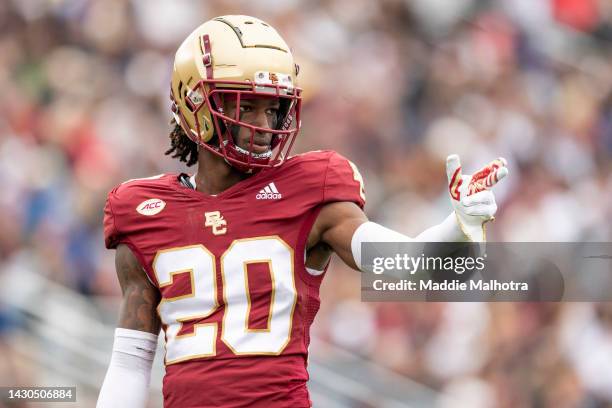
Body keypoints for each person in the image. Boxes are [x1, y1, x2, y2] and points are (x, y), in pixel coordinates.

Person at [97, 15, 508, 408]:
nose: (265, 124)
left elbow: (411, 266)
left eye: (273, 108)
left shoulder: (309, 188)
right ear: (197, 105)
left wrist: (460, 226)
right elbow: (131, 363)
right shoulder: (144, 211)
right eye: (247, 107)